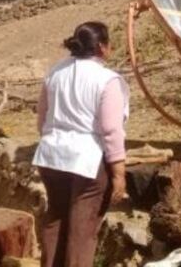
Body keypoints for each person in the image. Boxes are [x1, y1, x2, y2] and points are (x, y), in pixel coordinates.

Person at [33, 22, 129, 267]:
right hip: (87, 160)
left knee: (56, 219)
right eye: (108, 43)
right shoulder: (107, 80)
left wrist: (53, 141)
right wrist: (119, 174)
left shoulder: (55, 72)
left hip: (51, 156)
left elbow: (42, 117)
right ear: (101, 47)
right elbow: (111, 130)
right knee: (82, 231)